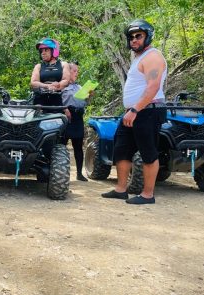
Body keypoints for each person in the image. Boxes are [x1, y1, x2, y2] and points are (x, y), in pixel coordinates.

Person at [101, 19, 167, 205]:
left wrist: (135, 109)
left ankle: (148, 195)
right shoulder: (139, 58)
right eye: (131, 37)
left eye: (139, 36)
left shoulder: (153, 56)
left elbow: (153, 87)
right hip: (133, 112)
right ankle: (121, 189)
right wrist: (131, 110)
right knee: (121, 150)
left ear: (148, 36)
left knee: (148, 152)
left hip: (147, 111)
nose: (134, 40)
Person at [61, 62, 92, 182]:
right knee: (61, 145)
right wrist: (64, 110)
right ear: (68, 72)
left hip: (78, 117)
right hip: (66, 117)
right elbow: (57, 100)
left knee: (78, 147)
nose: (76, 73)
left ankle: (79, 173)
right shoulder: (62, 86)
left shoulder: (79, 87)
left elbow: (84, 102)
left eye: (77, 71)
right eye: (74, 71)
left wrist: (89, 95)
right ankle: (60, 172)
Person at [30, 38, 70, 118]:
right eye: (41, 51)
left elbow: (66, 80)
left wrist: (58, 85)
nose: (43, 53)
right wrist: (46, 86)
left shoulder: (63, 65)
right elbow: (33, 82)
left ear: (54, 51)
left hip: (56, 102)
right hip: (40, 102)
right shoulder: (38, 66)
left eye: (46, 50)